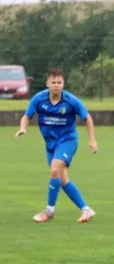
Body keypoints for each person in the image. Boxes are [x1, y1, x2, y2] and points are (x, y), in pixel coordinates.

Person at [15, 68, 98, 223]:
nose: (56, 85)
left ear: (63, 83)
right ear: (47, 83)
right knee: (62, 179)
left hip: (68, 141)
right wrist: (22, 128)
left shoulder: (70, 100)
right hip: (50, 145)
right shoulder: (39, 99)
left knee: (55, 169)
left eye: (59, 82)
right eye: (53, 82)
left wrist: (92, 140)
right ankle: (86, 209)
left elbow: (87, 118)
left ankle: (49, 210)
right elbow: (27, 116)